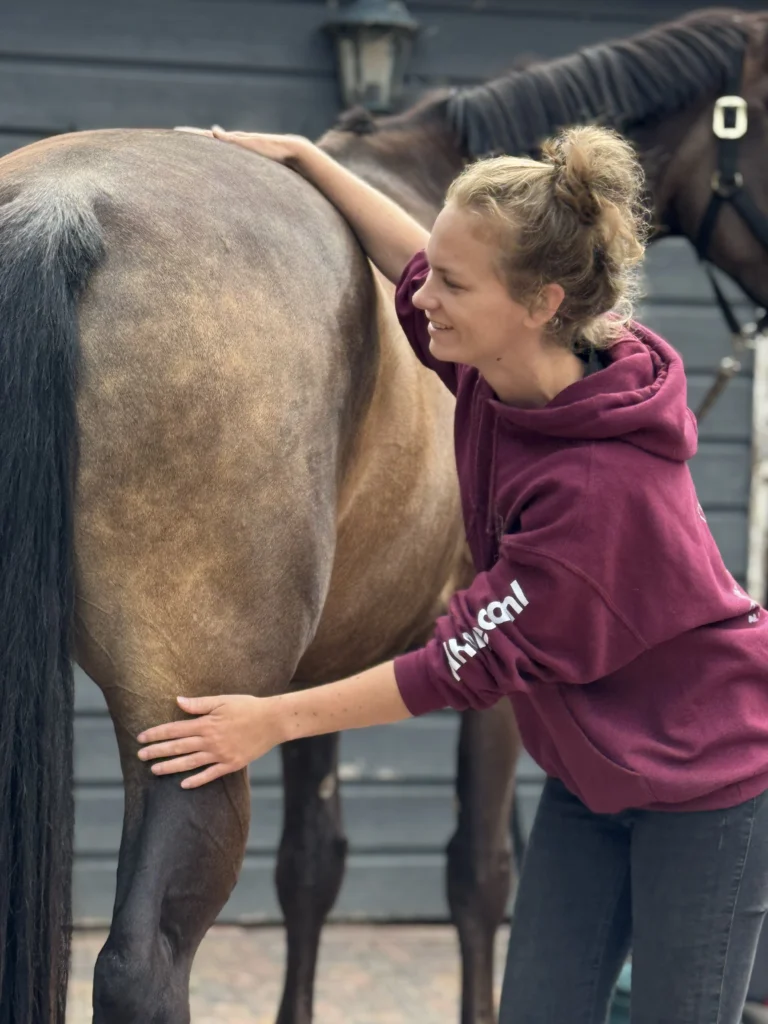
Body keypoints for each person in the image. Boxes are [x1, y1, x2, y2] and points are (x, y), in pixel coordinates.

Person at [137, 122, 768, 1023]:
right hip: (595, 781)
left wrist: (266, 722)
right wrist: (310, 162)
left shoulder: (596, 494)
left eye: (456, 284)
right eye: (439, 269)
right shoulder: (499, 368)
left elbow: (451, 665)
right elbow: (409, 259)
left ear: (542, 303)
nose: (429, 294)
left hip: (707, 783)